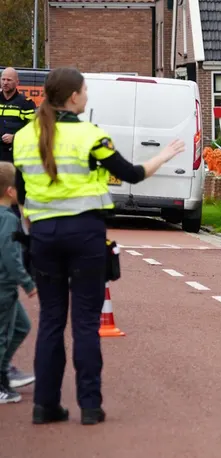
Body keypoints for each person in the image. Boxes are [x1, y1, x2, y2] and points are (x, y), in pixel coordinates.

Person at [13, 67, 184, 425]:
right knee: (86, 324)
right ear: (73, 97)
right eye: (86, 91)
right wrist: (166, 155)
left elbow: (23, 195)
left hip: (43, 237)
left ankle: (44, 406)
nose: (87, 97)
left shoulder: (25, 137)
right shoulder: (90, 135)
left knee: (50, 323)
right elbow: (133, 174)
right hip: (85, 235)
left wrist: (34, 234)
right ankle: (90, 406)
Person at [1, 67, 38, 389]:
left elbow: (33, 127)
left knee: (12, 219)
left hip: (15, 165)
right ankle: (2, 380)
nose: (6, 84)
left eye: (10, 80)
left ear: (17, 83)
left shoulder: (25, 103)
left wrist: (16, 137)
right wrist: (25, 282)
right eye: (3, 80)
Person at [0, 162, 37, 404]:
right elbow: (10, 255)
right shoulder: (9, 220)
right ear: (11, 191)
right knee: (3, 335)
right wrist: (27, 282)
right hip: (4, 286)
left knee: (21, 326)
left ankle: (4, 371)